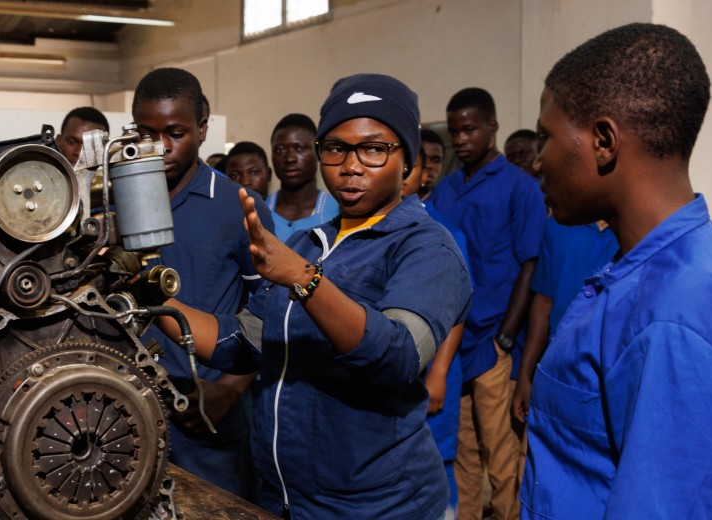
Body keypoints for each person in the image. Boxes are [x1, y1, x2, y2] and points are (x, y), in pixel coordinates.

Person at [154, 73, 470, 518]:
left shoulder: (425, 247)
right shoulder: (307, 243)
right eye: (336, 148)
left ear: (407, 160)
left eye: (375, 148)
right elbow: (240, 345)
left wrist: (304, 279)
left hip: (378, 507)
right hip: (286, 499)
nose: (352, 165)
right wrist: (149, 293)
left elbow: (398, 356)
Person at [523, 23, 712, 518]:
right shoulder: (646, 268)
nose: (538, 161)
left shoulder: (678, 317)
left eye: (545, 137)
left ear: (603, 141)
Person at [132, 67, 272, 501]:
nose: (161, 147)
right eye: (146, 133)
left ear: (203, 130)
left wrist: (230, 388)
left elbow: (271, 319)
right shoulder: (114, 207)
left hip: (208, 414)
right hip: (130, 407)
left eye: (175, 133)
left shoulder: (238, 208)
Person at [430, 86, 544, 520]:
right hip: (454, 344)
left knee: (501, 451)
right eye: (455, 131)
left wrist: (506, 337)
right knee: (463, 453)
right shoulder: (447, 190)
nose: (460, 139)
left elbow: (531, 266)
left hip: (494, 340)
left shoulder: (521, 188)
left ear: (492, 127)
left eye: (469, 129)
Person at [403, 154, 469, 520]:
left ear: (424, 174)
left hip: (431, 369)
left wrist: (439, 373)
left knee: (436, 456)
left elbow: (458, 307)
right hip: (392, 376)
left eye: (409, 167)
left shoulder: (444, 231)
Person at [509, 215, 617, 424]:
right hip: (559, 369)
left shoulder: (637, 227)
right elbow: (543, 301)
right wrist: (525, 375)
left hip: (610, 372)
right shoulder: (559, 224)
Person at [267, 113, 340, 242]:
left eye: (300, 148)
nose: (290, 158)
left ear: (318, 152)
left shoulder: (338, 212)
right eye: (280, 150)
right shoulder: (259, 211)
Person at [417, 128, 446, 200]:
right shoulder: (393, 201)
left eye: (436, 161)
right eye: (424, 158)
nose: (429, 165)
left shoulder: (445, 202)